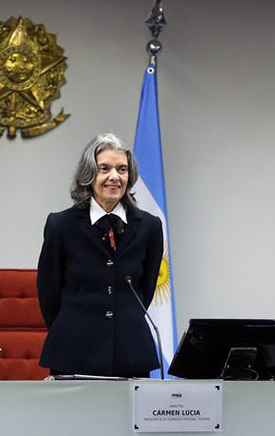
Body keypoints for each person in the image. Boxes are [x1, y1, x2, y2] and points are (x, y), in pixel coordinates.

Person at [37, 133, 164, 378]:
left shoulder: (149, 226)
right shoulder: (61, 225)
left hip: (131, 350)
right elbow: (48, 292)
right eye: (104, 168)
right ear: (89, 174)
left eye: (122, 169)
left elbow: (145, 290)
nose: (114, 177)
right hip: (73, 349)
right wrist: (74, 329)